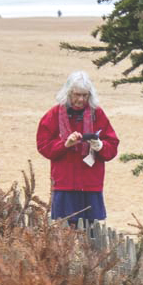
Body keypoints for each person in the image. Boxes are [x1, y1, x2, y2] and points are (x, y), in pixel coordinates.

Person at [36, 70, 120, 225]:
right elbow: (43, 145)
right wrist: (64, 145)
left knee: (91, 231)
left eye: (85, 95)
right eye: (77, 95)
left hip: (91, 183)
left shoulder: (98, 114)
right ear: (68, 93)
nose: (81, 99)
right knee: (65, 229)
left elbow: (112, 146)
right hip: (64, 183)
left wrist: (100, 146)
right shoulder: (54, 114)